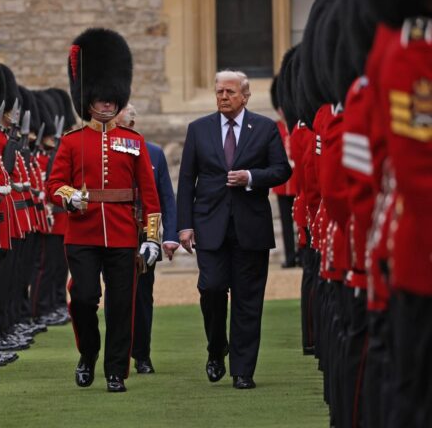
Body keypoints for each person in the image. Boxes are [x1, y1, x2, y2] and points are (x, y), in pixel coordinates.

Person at [47, 28, 161, 393]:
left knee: (121, 306)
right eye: (100, 97)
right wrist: (70, 197)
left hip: (124, 233)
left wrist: (153, 238)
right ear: (88, 98)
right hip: (82, 232)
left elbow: (149, 194)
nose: (108, 103)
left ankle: (116, 371)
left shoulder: (134, 142)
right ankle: (88, 354)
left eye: (112, 98)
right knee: (82, 298)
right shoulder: (71, 141)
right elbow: (53, 184)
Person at [175, 70, 291, 389]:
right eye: (218, 92)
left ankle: (243, 370)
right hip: (209, 224)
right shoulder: (198, 130)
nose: (223, 97)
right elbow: (186, 181)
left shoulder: (265, 128)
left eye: (229, 92)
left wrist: (251, 178)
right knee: (211, 288)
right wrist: (183, 226)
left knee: (247, 300)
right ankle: (217, 348)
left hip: (250, 226)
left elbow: (282, 170)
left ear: (245, 96)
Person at [115, 104, 179, 375]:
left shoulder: (153, 152)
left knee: (143, 297)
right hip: (116, 231)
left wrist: (170, 236)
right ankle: (117, 355)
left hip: (144, 233)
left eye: (132, 123)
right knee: (118, 297)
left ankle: (142, 354)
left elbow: (166, 197)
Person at [269, 78, 299, 268]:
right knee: (287, 224)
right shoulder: (276, 127)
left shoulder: (298, 126)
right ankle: (290, 256)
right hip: (282, 183)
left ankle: (304, 253)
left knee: (302, 220)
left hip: (298, 181)